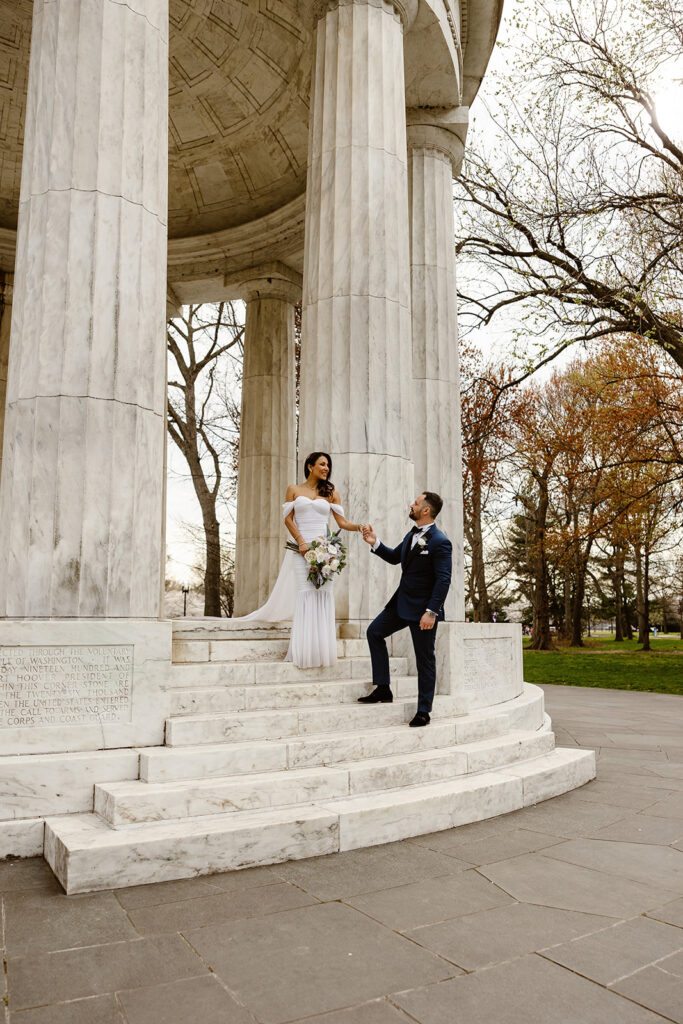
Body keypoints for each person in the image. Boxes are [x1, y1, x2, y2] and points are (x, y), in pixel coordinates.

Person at [234, 452, 366, 668]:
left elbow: (341, 522)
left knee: (323, 595)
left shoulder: (331, 493)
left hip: (325, 551)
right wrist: (301, 542)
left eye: (328, 466)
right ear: (310, 465)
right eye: (322, 464)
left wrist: (359, 527)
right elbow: (288, 519)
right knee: (306, 595)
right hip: (300, 550)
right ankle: (303, 651)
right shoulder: (293, 490)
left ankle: (321, 652)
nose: (326, 469)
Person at [359, 492, 452, 727]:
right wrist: (375, 543)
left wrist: (432, 611)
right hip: (401, 604)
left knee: (425, 660)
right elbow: (394, 557)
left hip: (423, 612)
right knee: (374, 632)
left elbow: (443, 580)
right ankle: (383, 688)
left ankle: (424, 711)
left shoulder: (440, 541)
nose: (411, 505)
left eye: (416, 503)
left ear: (426, 511)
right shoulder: (412, 534)